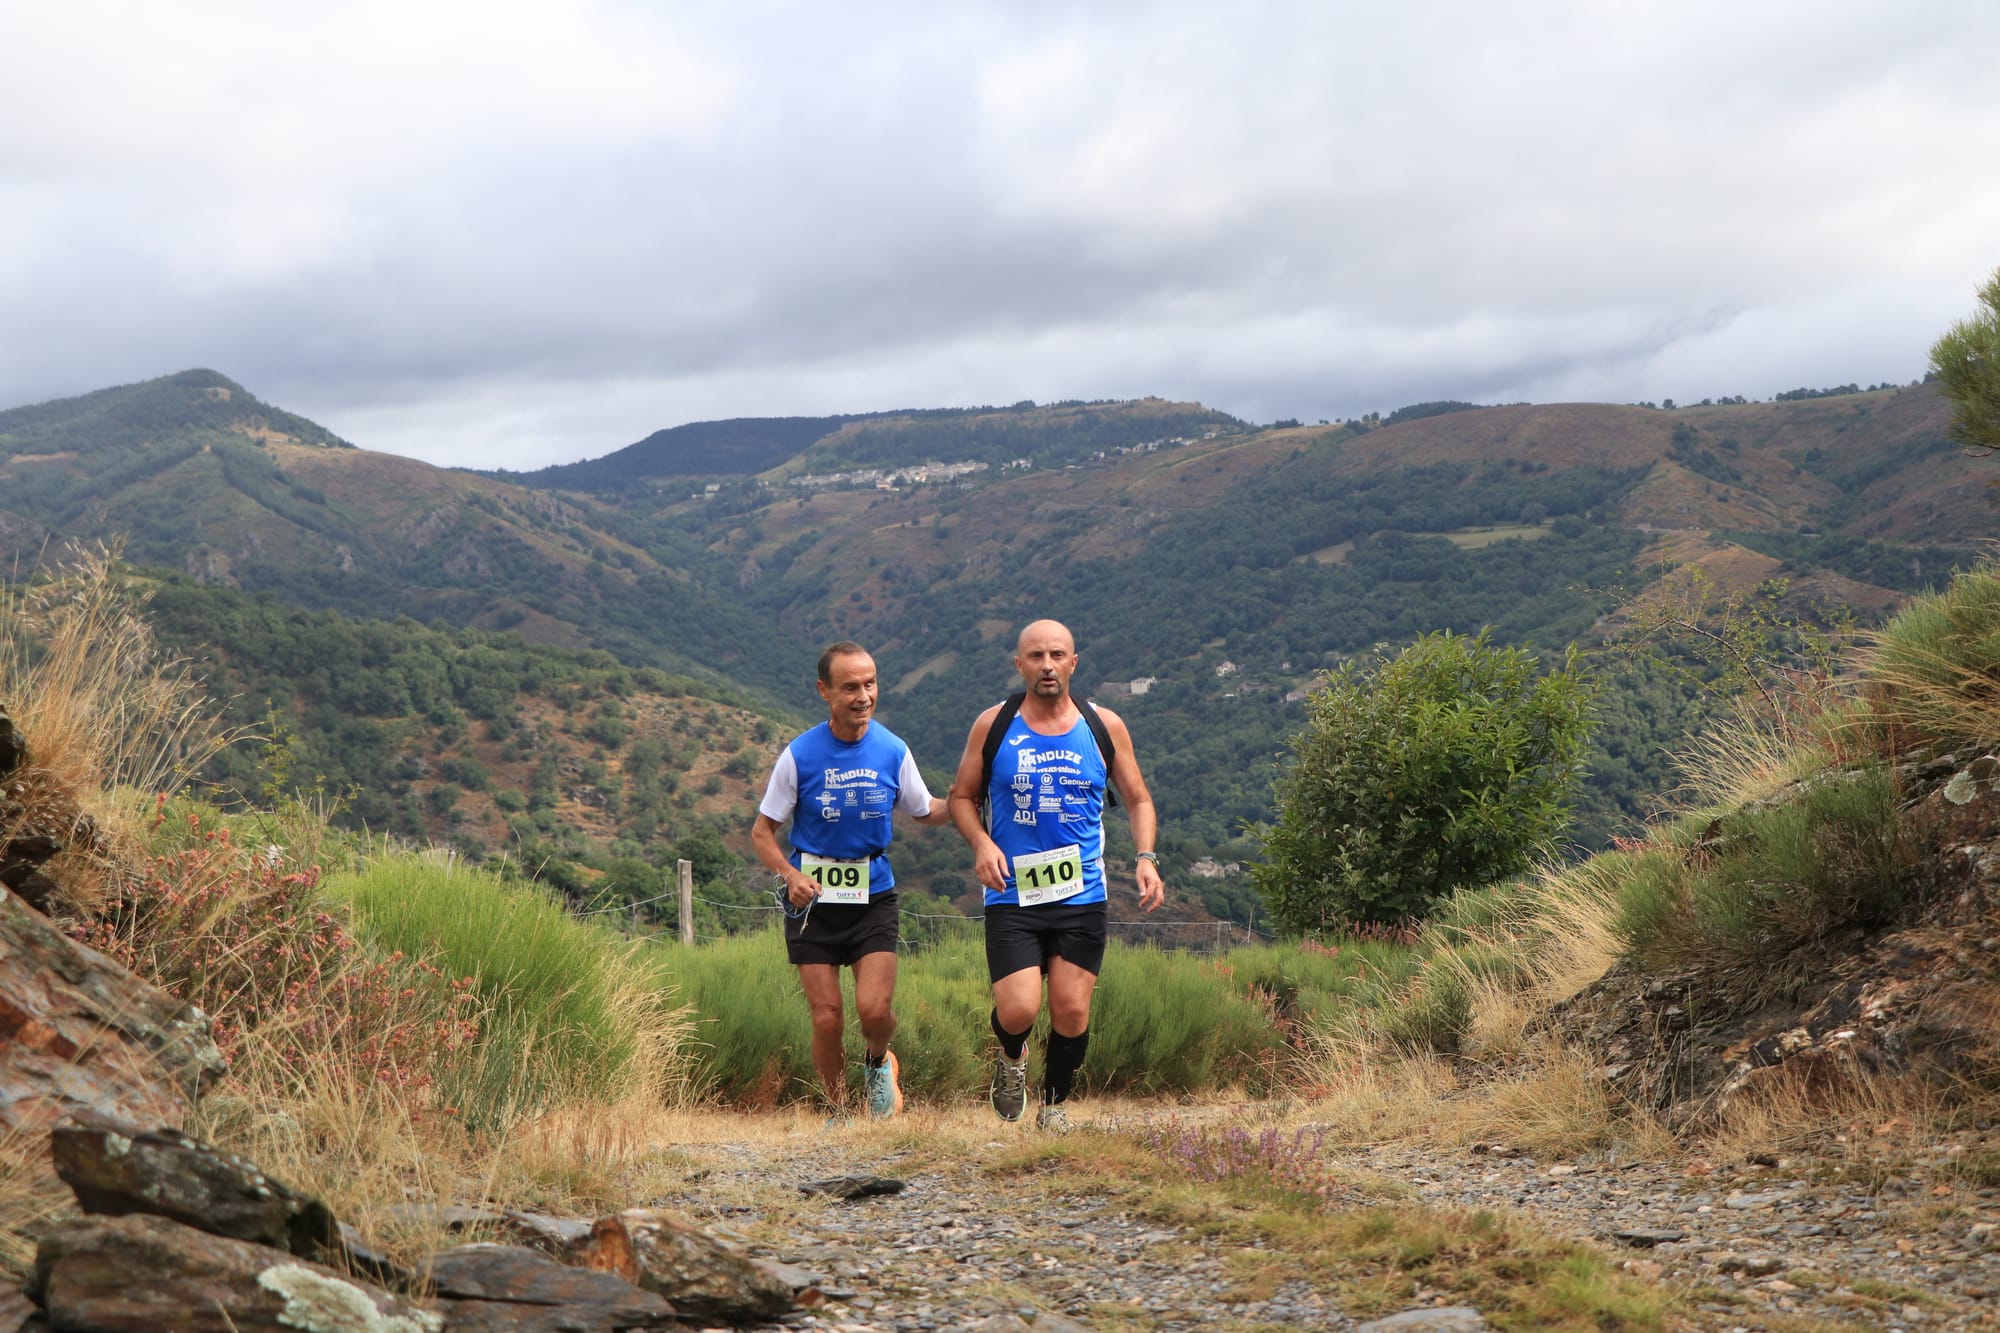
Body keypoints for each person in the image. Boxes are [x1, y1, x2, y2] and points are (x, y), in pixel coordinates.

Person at [947, 619, 1165, 1133]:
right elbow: (961, 797)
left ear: (1073, 662)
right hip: (1011, 894)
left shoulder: (1103, 726)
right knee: (1020, 1009)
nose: (1047, 665)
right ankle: (1012, 1057)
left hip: (1081, 894)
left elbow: (1137, 799)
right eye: (1036, 656)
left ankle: (1055, 1106)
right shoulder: (994, 724)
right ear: (1019, 664)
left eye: (1057, 655)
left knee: (1070, 1012)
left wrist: (1146, 857)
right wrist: (981, 843)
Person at [752, 641, 950, 1121]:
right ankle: (839, 1107)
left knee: (875, 1011)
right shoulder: (800, 755)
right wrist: (790, 874)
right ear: (824, 691)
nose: (863, 696)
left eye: (870, 684)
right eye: (850, 687)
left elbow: (926, 811)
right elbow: (762, 833)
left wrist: (972, 795)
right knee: (827, 1017)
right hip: (813, 903)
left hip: (873, 896)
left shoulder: (892, 749)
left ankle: (879, 1062)